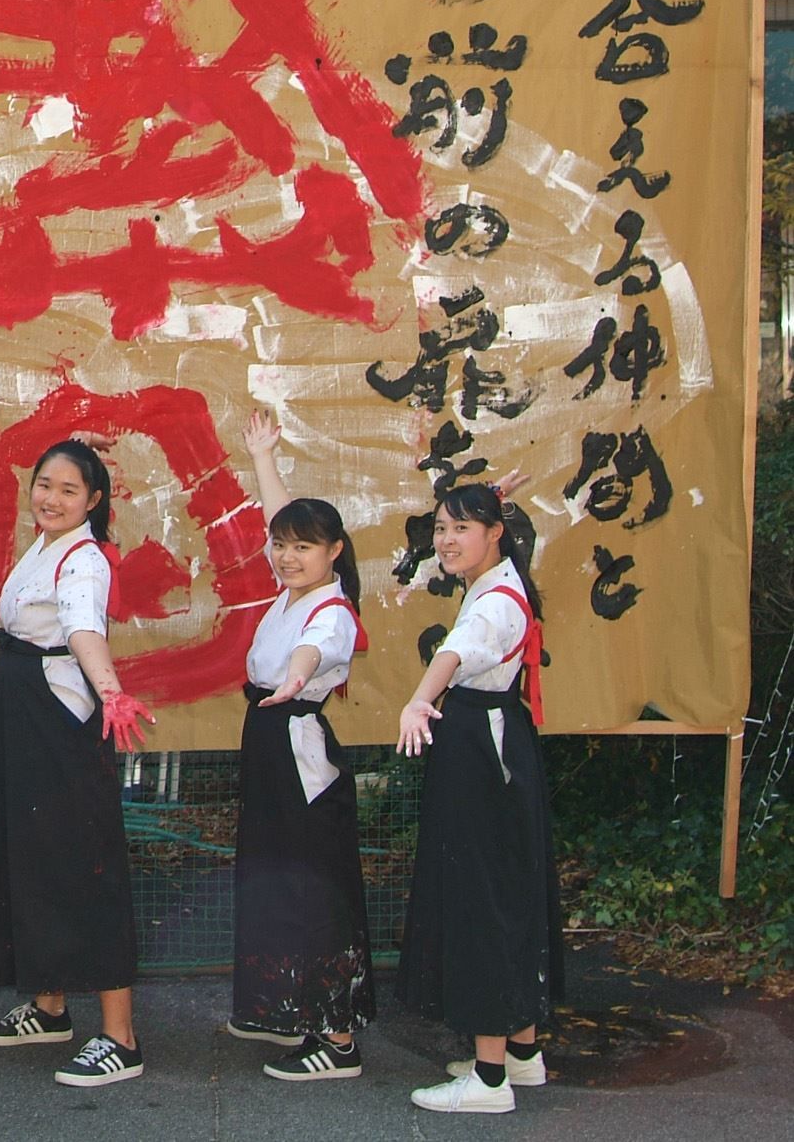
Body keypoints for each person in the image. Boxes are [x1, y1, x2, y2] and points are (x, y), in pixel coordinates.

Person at [0, 437, 156, 1089]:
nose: (51, 498)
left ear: (93, 500)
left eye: (69, 490)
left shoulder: (85, 560)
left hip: (56, 723)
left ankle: (121, 1037)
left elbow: (82, 629)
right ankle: (49, 1006)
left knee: (82, 863)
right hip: (19, 712)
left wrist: (111, 692)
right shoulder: (47, 545)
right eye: (44, 484)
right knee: (31, 858)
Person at [396, 481, 564, 1116]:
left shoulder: (493, 600)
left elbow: (455, 652)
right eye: (441, 528)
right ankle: (521, 1052)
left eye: (461, 528)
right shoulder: (500, 579)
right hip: (491, 740)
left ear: (495, 533)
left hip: (481, 747)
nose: (446, 540)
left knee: (483, 899)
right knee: (506, 891)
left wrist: (419, 700)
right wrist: (490, 495)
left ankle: (490, 1079)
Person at [225, 410, 373, 1081]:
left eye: (303, 548)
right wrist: (263, 457)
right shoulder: (293, 590)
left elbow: (317, 649)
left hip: (298, 744)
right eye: (281, 547)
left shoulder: (331, 611)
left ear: (334, 551)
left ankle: (337, 1038)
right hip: (268, 737)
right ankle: (290, 1011)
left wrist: (294, 678)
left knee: (313, 889)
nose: (287, 556)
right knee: (275, 881)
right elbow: (279, 520)